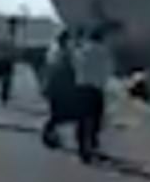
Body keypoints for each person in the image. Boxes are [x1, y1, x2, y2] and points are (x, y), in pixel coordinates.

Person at [72, 22, 115, 163]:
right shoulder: (104, 51)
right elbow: (108, 70)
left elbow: (75, 64)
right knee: (95, 119)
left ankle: (82, 148)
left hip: (80, 87)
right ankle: (92, 145)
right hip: (96, 89)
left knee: (82, 119)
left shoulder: (81, 50)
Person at [41, 28, 78, 148]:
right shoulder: (62, 52)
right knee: (59, 114)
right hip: (60, 86)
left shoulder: (54, 51)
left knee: (58, 113)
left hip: (54, 86)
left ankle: (51, 135)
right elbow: (67, 68)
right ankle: (48, 135)